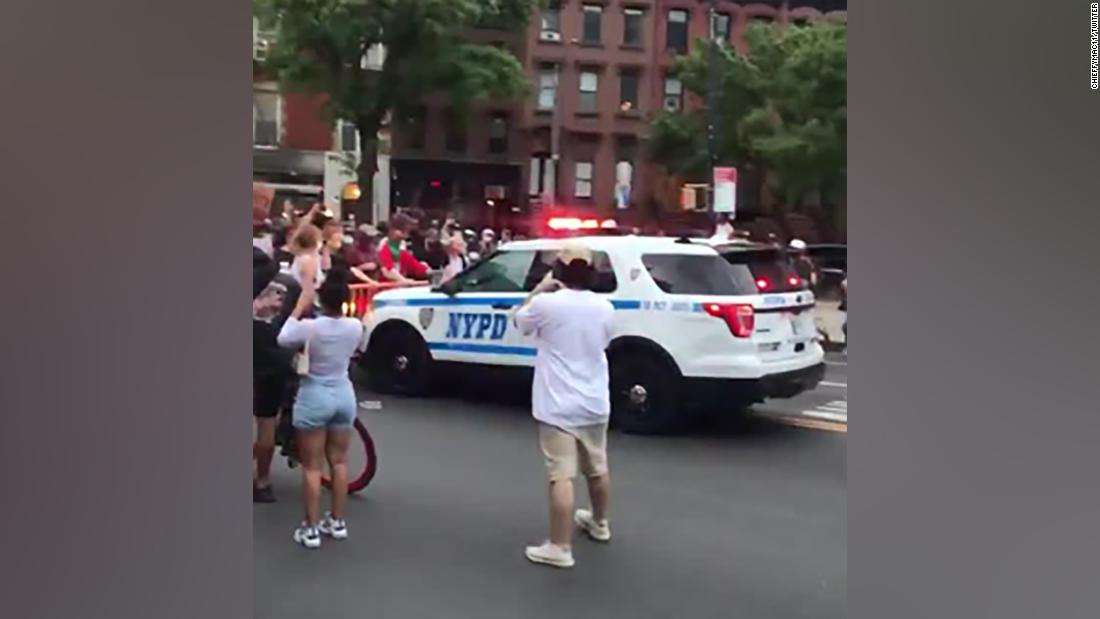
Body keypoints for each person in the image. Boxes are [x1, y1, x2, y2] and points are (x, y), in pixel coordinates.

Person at [514, 243, 616, 569]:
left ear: (557, 270)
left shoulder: (547, 304)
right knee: (597, 467)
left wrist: (539, 288)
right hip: (595, 399)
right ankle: (599, 523)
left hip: (557, 403)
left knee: (561, 475)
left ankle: (560, 546)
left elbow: (519, 321)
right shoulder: (605, 307)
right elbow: (605, 341)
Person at [277, 278, 363, 549]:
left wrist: (298, 307)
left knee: (312, 466)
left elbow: (282, 338)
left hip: (314, 394)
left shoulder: (310, 328)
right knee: (339, 462)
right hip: (344, 394)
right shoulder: (355, 326)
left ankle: (310, 527)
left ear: (321, 300)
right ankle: (337, 521)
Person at [377, 213, 430, 284]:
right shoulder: (384, 246)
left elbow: (415, 266)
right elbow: (387, 271)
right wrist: (405, 281)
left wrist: (429, 272)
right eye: (406, 229)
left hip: (397, 290)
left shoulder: (401, 249)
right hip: (385, 291)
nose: (408, 232)